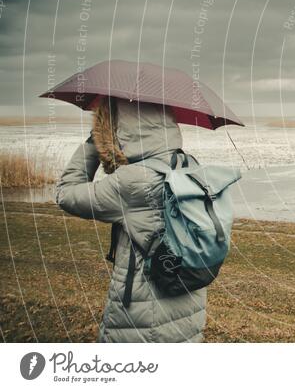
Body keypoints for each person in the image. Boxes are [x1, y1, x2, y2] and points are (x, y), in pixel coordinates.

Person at [56, 97, 207, 342]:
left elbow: (65, 193)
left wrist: (93, 143)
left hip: (141, 319)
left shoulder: (131, 181)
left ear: (121, 127)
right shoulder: (188, 166)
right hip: (189, 303)